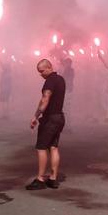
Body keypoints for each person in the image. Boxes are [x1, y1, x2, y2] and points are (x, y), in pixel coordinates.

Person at [27, 59, 66, 190]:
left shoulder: (49, 81)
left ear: (49, 67)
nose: (41, 74)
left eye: (42, 71)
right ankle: (53, 179)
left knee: (41, 147)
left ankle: (40, 179)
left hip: (51, 119)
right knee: (53, 147)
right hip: (60, 117)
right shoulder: (61, 79)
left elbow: (45, 99)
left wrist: (36, 116)